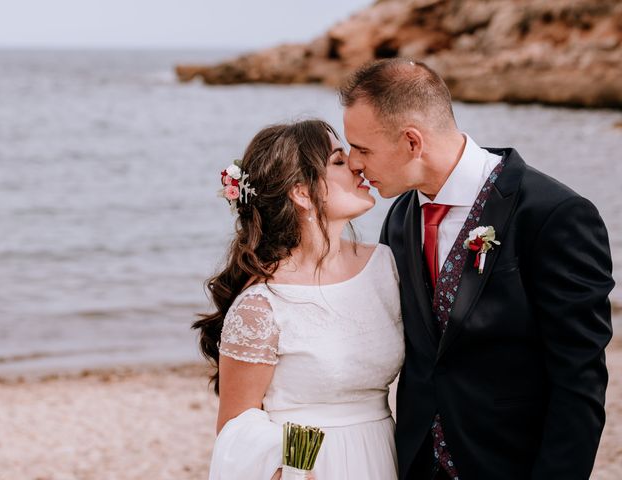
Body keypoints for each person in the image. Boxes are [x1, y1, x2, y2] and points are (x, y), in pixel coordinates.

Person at [340, 58, 615, 480]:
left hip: (511, 464)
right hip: (415, 464)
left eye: (362, 149)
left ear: (412, 142)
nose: (355, 164)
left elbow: (579, 381)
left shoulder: (554, 214)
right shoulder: (399, 218)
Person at [195, 119, 405, 479]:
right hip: (311, 467)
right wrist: (291, 466)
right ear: (303, 193)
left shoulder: (384, 265)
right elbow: (235, 425)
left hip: (383, 454)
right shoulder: (262, 305)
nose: (356, 165)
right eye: (338, 162)